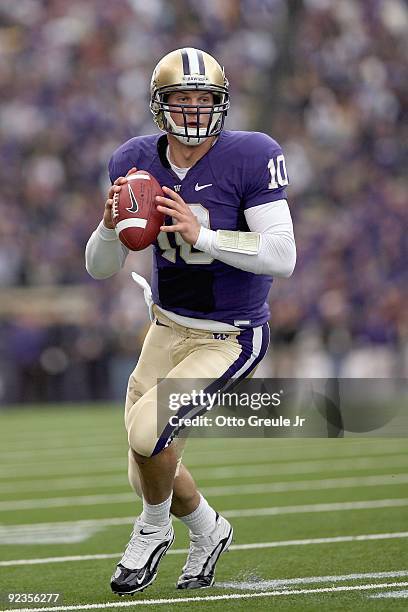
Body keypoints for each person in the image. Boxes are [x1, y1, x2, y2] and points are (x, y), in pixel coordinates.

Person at [85, 47, 296, 595]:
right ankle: (208, 530)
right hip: (165, 327)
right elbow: (100, 267)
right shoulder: (133, 159)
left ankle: (153, 530)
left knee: (149, 435)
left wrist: (203, 236)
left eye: (205, 98)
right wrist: (109, 228)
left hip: (229, 334)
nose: (195, 108)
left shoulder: (251, 155)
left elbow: (283, 255)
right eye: (183, 97)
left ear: (221, 103)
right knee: (144, 459)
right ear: (162, 105)